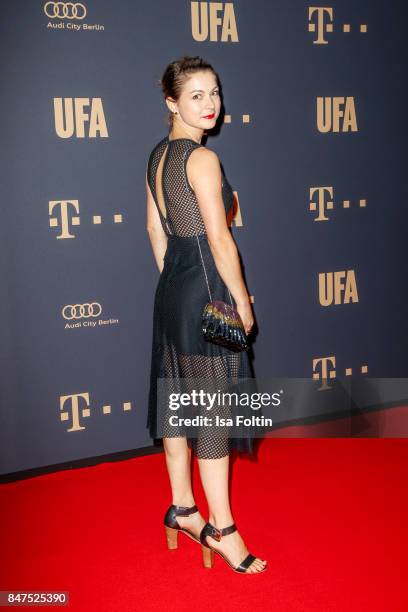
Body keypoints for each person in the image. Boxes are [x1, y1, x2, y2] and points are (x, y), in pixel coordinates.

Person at [145, 56, 267, 574]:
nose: (210, 103)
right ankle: (222, 528)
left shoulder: (157, 156)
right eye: (196, 95)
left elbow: (155, 230)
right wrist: (239, 300)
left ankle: (182, 507)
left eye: (213, 91)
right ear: (172, 102)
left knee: (178, 401)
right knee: (212, 409)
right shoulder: (202, 160)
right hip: (207, 293)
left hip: (173, 289)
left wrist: (177, 283)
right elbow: (219, 238)